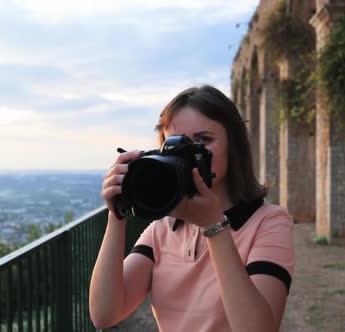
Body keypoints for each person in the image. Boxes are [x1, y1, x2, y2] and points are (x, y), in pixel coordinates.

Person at [89, 85, 295, 332]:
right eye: (173, 144)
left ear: (234, 145)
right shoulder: (162, 228)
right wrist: (117, 213)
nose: (185, 155)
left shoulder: (268, 222)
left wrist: (214, 227)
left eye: (203, 140)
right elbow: (104, 313)